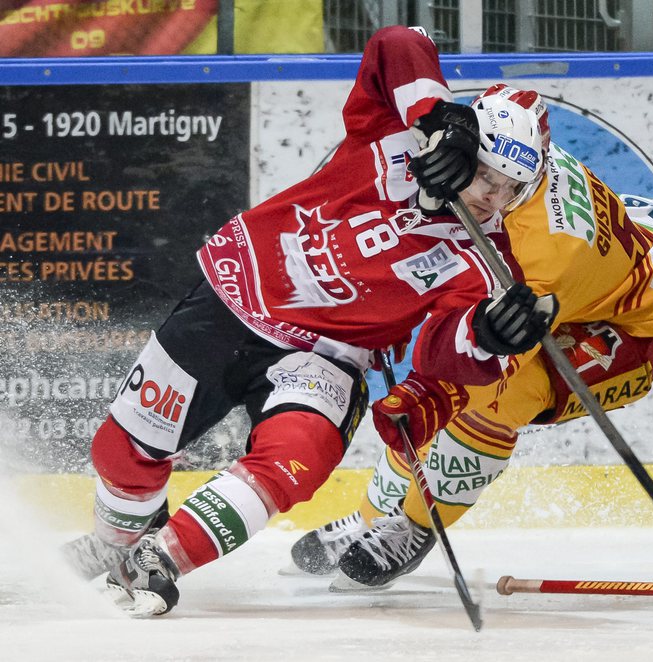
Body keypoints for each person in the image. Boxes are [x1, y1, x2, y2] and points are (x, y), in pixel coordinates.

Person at [60, 25, 567, 617]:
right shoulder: (394, 134)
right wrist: (436, 115)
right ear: (462, 148)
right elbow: (396, 41)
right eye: (485, 174)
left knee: (300, 455)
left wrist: (486, 335)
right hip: (233, 297)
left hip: (327, 356)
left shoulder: (486, 263)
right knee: (124, 450)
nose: (490, 198)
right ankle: (113, 541)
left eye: (510, 189)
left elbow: (440, 354)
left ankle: (161, 557)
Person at [288, 191, 653, 588]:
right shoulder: (509, 190)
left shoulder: (551, 257)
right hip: (583, 286)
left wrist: (432, 394)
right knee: (451, 376)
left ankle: (416, 526)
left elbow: (494, 360)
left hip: (632, 330)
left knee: (498, 397)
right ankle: (372, 517)